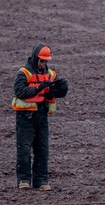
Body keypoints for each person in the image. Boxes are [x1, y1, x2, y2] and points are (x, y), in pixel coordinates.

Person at [12, 44, 69, 190]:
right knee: (24, 150)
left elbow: (54, 91)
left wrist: (59, 90)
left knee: (42, 150)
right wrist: (39, 88)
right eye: (41, 61)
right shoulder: (23, 73)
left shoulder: (50, 74)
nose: (44, 64)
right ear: (35, 57)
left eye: (45, 61)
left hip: (42, 116)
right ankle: (24, 180)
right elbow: (20, 91)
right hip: (25, 117)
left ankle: (41, 180)